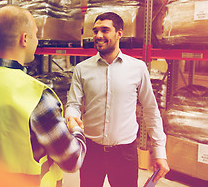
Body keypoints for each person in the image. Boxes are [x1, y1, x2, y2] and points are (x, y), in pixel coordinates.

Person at [0, 5, 86, 187]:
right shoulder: (37, 97)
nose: (37, 41)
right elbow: (72, 160)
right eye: (36, 34)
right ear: (24, 39)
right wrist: (76, 130)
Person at [65, 12, 170, 187]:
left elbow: (151, 110)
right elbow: (73, 104)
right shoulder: (82, 69)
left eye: (105, 30)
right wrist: (71, 117)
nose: (98, 36)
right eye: (95, 31)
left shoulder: (137, 68)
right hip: (91, 151)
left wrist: (159, 152)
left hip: (125, 153)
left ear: (119, 33)